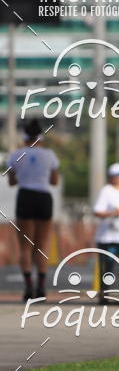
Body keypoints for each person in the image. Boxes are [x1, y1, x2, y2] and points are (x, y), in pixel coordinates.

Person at [6, 118, 60, 300]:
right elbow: (54, 181)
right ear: (40, 138)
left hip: (25, 197)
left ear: (24, 138)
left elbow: (12, 182)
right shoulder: (50, 155)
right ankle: (42, 287)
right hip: (44, 198)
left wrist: (25, 175)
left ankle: (29, 287)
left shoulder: (16, 155)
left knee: (25, 247)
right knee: (42, 245)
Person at [93, 163, 119, 300]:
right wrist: (113, 213)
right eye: (115, 176)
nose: (118, 178)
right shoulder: (106, 191)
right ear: (110, 177)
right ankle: (104, 294)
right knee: (108, 267)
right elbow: (97, 212)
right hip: (108, 237)